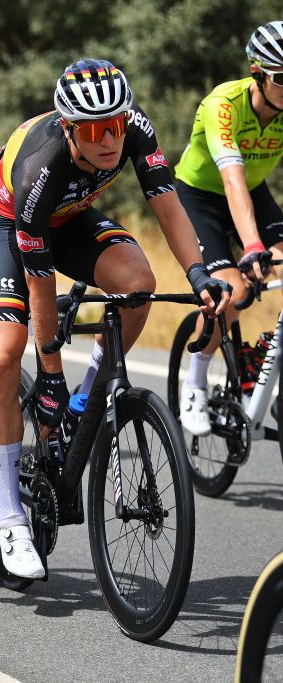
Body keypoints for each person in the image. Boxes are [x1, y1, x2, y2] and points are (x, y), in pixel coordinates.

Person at [0, 59, 229, 579]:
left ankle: (88, 395)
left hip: (72, 219)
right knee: (3, 359)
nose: (109, 139)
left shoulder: (133, 128)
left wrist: (199, 273)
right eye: (93, 130)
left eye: (115, 125)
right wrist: (48, 373)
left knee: (139, 285)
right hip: (13, 224)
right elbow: (39, 279)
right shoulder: (39, 169)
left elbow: (168, 206)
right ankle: (12, 517)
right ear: (69, 130)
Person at [176, 21, 283, 436]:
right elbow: (231, 178)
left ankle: (264, 364)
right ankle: (196, 380)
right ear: (257, 73)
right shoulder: (224, 103)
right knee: (232, 292)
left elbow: (247, 187)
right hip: (200, 197)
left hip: (254, 192)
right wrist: (253, 245)